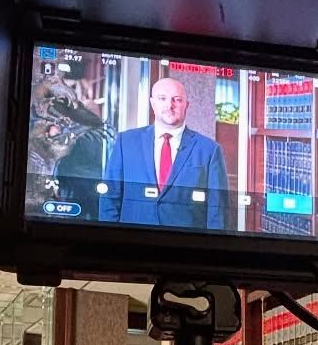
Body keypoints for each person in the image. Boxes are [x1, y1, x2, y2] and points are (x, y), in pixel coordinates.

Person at [98, 75, 229, 229]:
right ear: (153, 103)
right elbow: (110, 198)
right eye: (162, 99)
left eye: (177, 100)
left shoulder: (209, 150)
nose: (169, 105)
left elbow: (218, 212)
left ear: (186, 105)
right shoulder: (126, 142)